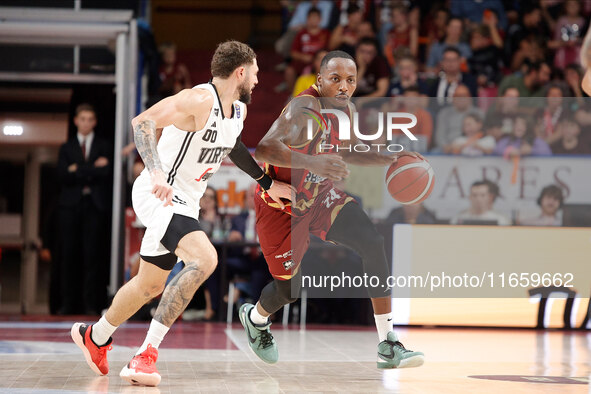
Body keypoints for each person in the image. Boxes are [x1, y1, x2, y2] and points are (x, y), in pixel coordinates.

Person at [70, 40, 293, 387]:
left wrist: (266, 182)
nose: (258, 81)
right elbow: (142, 122)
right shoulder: (198, 100)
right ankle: (145, 355)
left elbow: (231, 144)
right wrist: (156, 171)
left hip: (184, 203)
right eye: (255, 73)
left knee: (150, 284)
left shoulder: (238, 111)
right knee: (205, 259)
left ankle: (95, 336)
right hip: (158, 193)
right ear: (240, 72)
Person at [238, 50, 425, 369]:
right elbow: (266, 147)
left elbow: (349, 150)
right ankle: (256, 319)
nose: (343, 87)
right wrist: (313, 161)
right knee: (289, 291)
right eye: (335, 79)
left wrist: (387, 157)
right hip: (281, 206)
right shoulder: (303, 107)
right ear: (320, 79)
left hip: (318, 196)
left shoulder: (345, 110)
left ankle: (388, 343)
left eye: (350, 81)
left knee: (372, 243)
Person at [57, 103, 111, 315]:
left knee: (92, 256)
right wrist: (90, 169)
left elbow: (105, 172)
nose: (86, 123)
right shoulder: (66, 147)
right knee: (68, 255)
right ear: (76, 121)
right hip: (69, 207)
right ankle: (67, 304)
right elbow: (62, 175)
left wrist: (77, 169)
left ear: (95, 122)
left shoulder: (103, 145)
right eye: (83, 119)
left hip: (94, 206)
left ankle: (90, 305)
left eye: (90, 119)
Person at [284, 7, 330, 93]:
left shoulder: (326, 33)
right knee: (289, 71)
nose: (313, 20)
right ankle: (292, 94)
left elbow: (330, 50)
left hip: (320, 62)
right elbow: (293, 52)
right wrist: (303, 57)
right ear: (307, 19)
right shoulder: (301, 34)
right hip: (303, 62)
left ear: (320, 20)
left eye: (316, 18)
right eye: (311, 18)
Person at [432, 84, 483, 153]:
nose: (461, 99)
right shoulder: (444, 113)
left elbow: (484, 133)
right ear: (453, 98)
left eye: (464, 96)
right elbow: (440, 136)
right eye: (458, 96)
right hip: (448, 148)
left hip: (474, 146)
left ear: (470, 98)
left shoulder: (478, 113)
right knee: (435, 152)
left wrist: (472, 144)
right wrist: (447, 147)